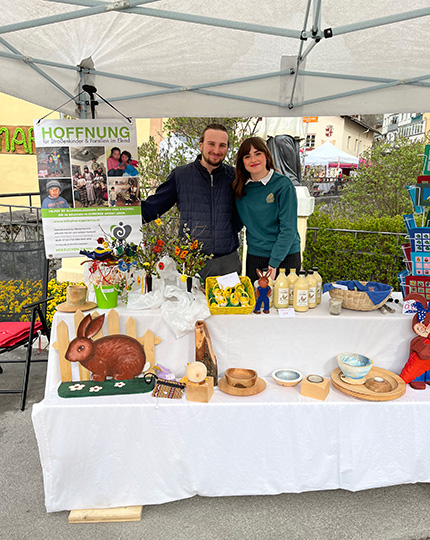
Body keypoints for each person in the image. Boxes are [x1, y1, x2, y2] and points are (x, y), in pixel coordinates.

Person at [141, 124, 241, 279]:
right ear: (201, 145)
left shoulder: (234, 177)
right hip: (191, 262)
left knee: (231, 302)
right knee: (190, 303)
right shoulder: (181, 175)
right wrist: (119, 214)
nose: (216, 150)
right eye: (211, 144)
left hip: (227, 262)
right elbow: (153, 207)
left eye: (222, 145)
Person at [232, 136, 301, 285]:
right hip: (256, 255)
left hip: (285, 255)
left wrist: (274, 263)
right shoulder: (239, 189)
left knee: (283, 304)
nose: (253, 160)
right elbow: (236, 224)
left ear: (266, 155)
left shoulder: (283, 185)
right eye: (247, 156)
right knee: (257, 303)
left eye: (258, 153)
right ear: (242, 162)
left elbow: (288, 229)